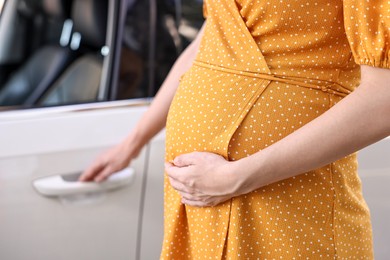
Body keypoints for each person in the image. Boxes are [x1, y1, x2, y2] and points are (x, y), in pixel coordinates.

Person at [80, 0, 389, 258]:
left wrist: (236, 177)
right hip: (204, 205)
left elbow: (384, 98)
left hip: (287, 205)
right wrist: (132, 143)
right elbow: (211, 42)